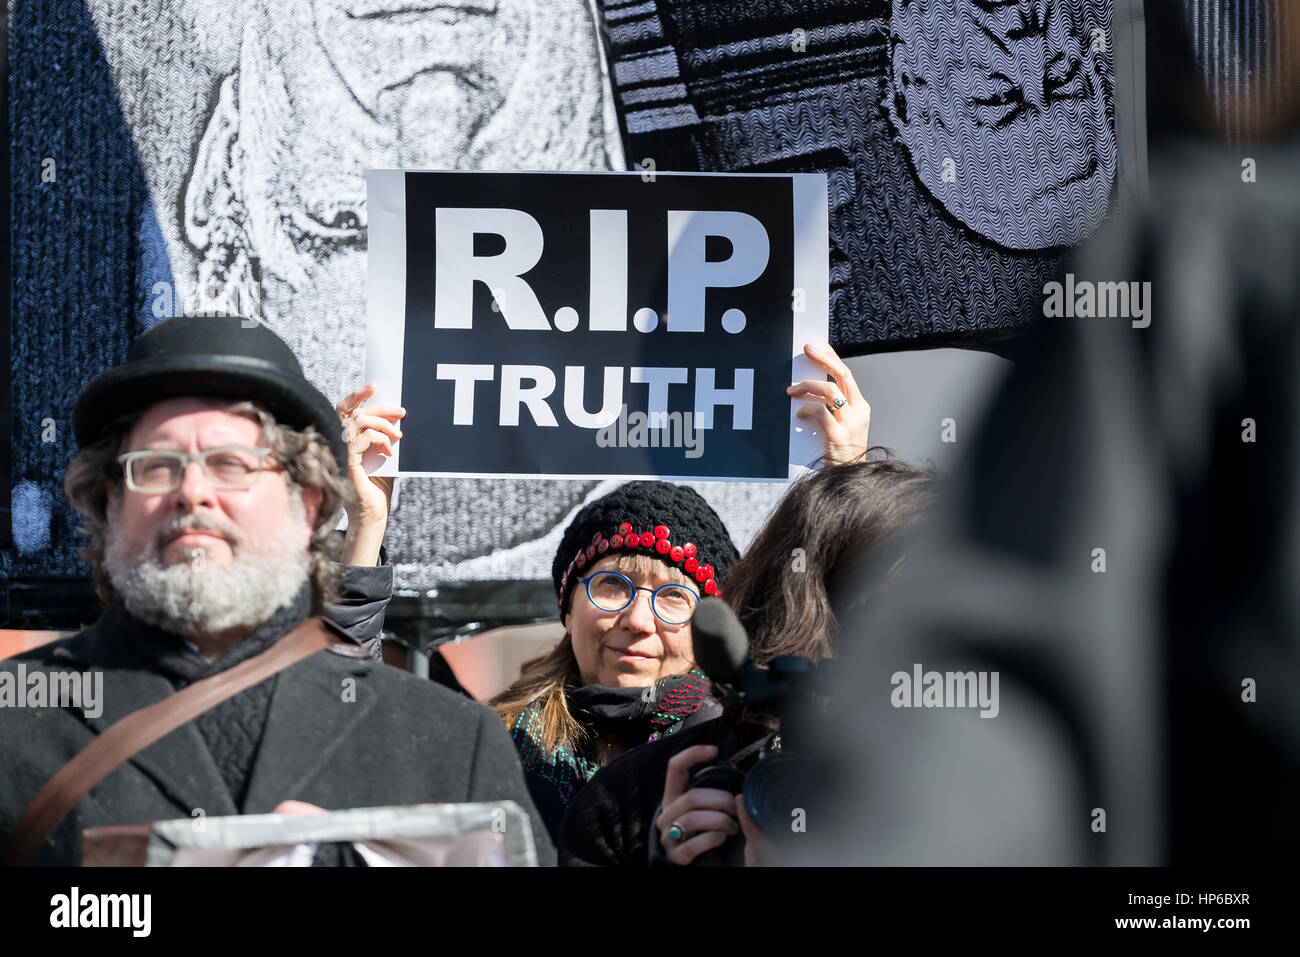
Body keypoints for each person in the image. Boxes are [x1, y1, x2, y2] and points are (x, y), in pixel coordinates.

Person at [0, 315, 554, 866]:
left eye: (230, 464)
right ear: (110, 502)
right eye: (157, 466)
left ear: (307, 502)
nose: (193, 492)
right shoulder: (15, 715)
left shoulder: (451, 742)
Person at [556, 455, 939, 866]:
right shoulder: (632, 800)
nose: (637, 620)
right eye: (612, 584)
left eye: (673, 596)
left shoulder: (991, 785)